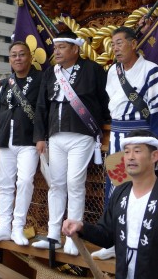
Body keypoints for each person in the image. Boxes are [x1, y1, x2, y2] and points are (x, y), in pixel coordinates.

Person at [32, 30, 110, 255]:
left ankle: (73, 238)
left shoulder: (93, 70)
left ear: (75, 49)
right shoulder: (50, 74)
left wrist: (102, 125)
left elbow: (104, 100)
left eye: (62, 47)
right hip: (55, 137)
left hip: (82, 135)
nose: (56, 51)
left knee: (75, 184)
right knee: (56, 185)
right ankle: (53, 235)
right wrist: (39, 137)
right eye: (55, 48)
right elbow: (41, 107)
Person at [93, 26, 158, 260]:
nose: (116, 48)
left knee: (144, 190)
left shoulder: (151, 71)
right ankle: (113, 241)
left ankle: (142, 242)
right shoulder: (113, 71)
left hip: (141, 135)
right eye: (113, 44)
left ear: (133, 44)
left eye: (120, 43)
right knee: (115, 190)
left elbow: (157, 112)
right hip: (118, 136)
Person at [62, 129, 158, 279]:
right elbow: (106, 236)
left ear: (154, 156)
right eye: (126, 152)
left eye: (137, 151)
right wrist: (81, 227)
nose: (130, 157)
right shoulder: (121, 193)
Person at [0, 41, 42, 246]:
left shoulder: (41, 80)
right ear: (9, 59)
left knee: (25, 181)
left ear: (30, 57)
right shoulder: (7, 83)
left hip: (29, 140)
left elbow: (43, 110)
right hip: (5, 138)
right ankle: (3, 227)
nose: (17, 58)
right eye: (13, 55)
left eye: (21, 54)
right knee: (4, 185)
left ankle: (18, 227)